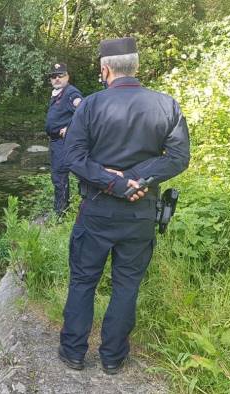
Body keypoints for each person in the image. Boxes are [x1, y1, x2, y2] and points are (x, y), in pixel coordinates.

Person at [58, 37, 190, 374]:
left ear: (105, 69)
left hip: (98, 211)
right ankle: (113, 358)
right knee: (126, 285)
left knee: (84, 281)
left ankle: (73, 353)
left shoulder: (90, 105)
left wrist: (119, 181)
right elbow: (178, 158)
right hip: (141, 213)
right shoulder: (166, 105)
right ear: (136, 67)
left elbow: (72, 156)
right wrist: (138, 179)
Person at [44, 63, 83, 216]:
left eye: (61, 75)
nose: (57, 79)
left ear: (67, 76)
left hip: (64, 142)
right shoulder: (57, 93)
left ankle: (61, 213)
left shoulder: (71, 93)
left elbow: (84, 110)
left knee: (60, 176)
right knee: (58, 176)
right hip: (56, 142)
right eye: (54, 76)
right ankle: (63, 209)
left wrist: (70, 128)